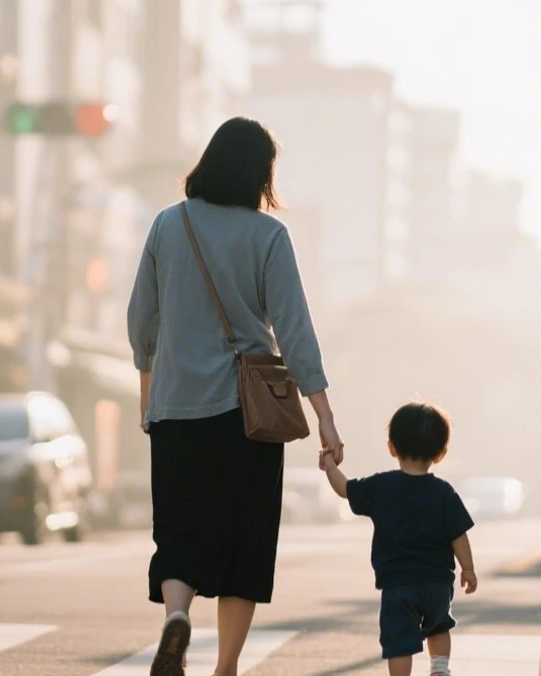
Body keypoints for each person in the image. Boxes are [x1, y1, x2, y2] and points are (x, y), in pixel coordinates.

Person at [128, 116, 344, 676]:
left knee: (178, 530)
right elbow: (294, 330)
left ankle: (177, 615)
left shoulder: (166, 226)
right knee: (243, 542)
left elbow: (140, 322)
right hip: (248, 417)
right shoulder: (269, 236)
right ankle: (225, 668)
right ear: (260, 175)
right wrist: (324, 416)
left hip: (176, 410)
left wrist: (148, 391)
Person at [318, 403, 477, 676]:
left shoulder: (381, 487)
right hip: (437, 582)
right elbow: (458, 535)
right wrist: (468, 569)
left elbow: (345, 489)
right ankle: (440, 669)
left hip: (397, 585)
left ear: (391, 447)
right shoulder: (443, 492)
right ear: (440, 454)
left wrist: (330, 466)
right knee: (439, 626)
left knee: (400, 642)